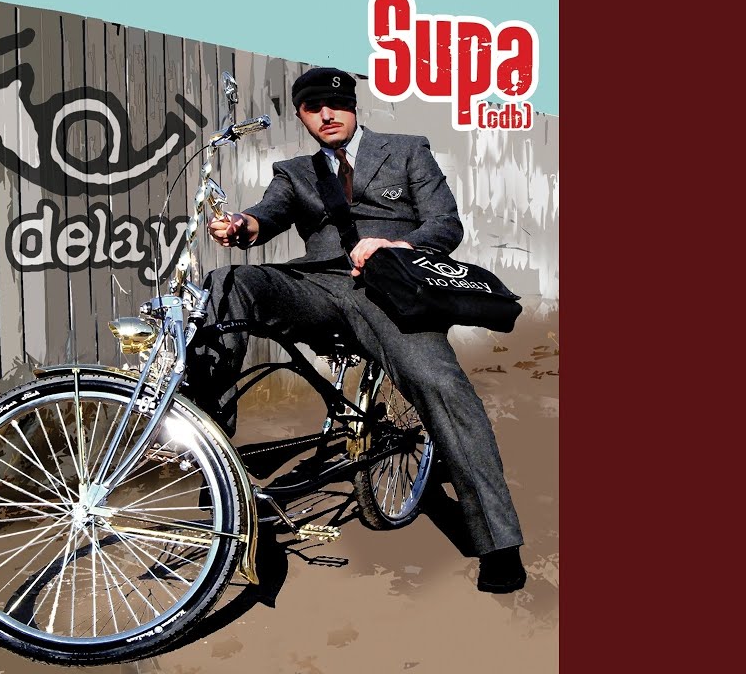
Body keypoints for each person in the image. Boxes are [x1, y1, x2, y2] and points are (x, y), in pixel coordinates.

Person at [185, 67, 527, 593]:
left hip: (392, 291)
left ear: (352, 106)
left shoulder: (407, 149)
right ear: (301, 116)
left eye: (335, 104)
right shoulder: (295, 171)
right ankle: (207, 434)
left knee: (442, 387)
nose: (326, 115)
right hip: (319, 289)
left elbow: (445, 224)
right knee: (227, 282)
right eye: (312, 108)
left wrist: (395, 246)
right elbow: (265, 217)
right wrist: (240, 226)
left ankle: (498, 543)